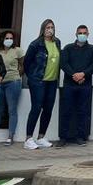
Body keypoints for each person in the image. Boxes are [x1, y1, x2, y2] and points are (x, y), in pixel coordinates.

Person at [23, 18, 61, 150]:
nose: (50, 30)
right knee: (36, 108)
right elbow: (26, 63)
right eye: (47, 28)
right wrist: (33, 77)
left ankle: (41, 136)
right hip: (38, 81)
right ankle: (28, 138)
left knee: (48, 109)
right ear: (43, 29)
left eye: (52, 27)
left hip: (52, 81)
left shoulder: (57, 42)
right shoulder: (36, 44)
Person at [59, 24, 93, 146]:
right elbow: (64, 64)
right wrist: (74, 75)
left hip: (85, 85)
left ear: (88, 34)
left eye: (84, 33)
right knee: (66, 110)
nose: (82, 35)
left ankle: (81, 136)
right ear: (76, 34)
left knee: (83, 111)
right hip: (69, 85)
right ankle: (63, 138)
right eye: (80, 33)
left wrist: (83, 74)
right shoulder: (68, 48)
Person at [0, 30, 24, 146]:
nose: (9, 40)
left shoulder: (17, 50)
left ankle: (10, 136)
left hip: (13, 82)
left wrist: (18, 76)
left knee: (12, 109)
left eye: (11, 38)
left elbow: (22, 64)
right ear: (2, 39)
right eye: (6, 38)